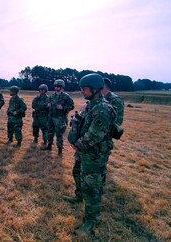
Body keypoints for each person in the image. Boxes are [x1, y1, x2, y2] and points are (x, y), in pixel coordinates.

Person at [66, 73, 116, 236]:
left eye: (84, 89)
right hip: (84, 151)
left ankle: (90, 221)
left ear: (95, 89)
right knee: (77, 173)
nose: (82, 91)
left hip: (94, 154)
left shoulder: (103, 109)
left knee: (92, 188)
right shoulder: (90, 105)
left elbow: (95, 135)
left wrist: (77, 145)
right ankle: (79, 196)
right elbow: (81, 123)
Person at [42, 79, 74, 155]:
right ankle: (49, 146)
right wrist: (47, 105)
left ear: (62, 87)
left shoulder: (66, 96)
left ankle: (60, 150)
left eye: (58, 86)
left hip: (60, 118)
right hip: (51, 117)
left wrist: (63, 107)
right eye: (55, 86)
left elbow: (71, 106)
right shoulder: (52, 96)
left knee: (59, 134)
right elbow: (47, 103)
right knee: (50, 132)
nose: (56, 87)